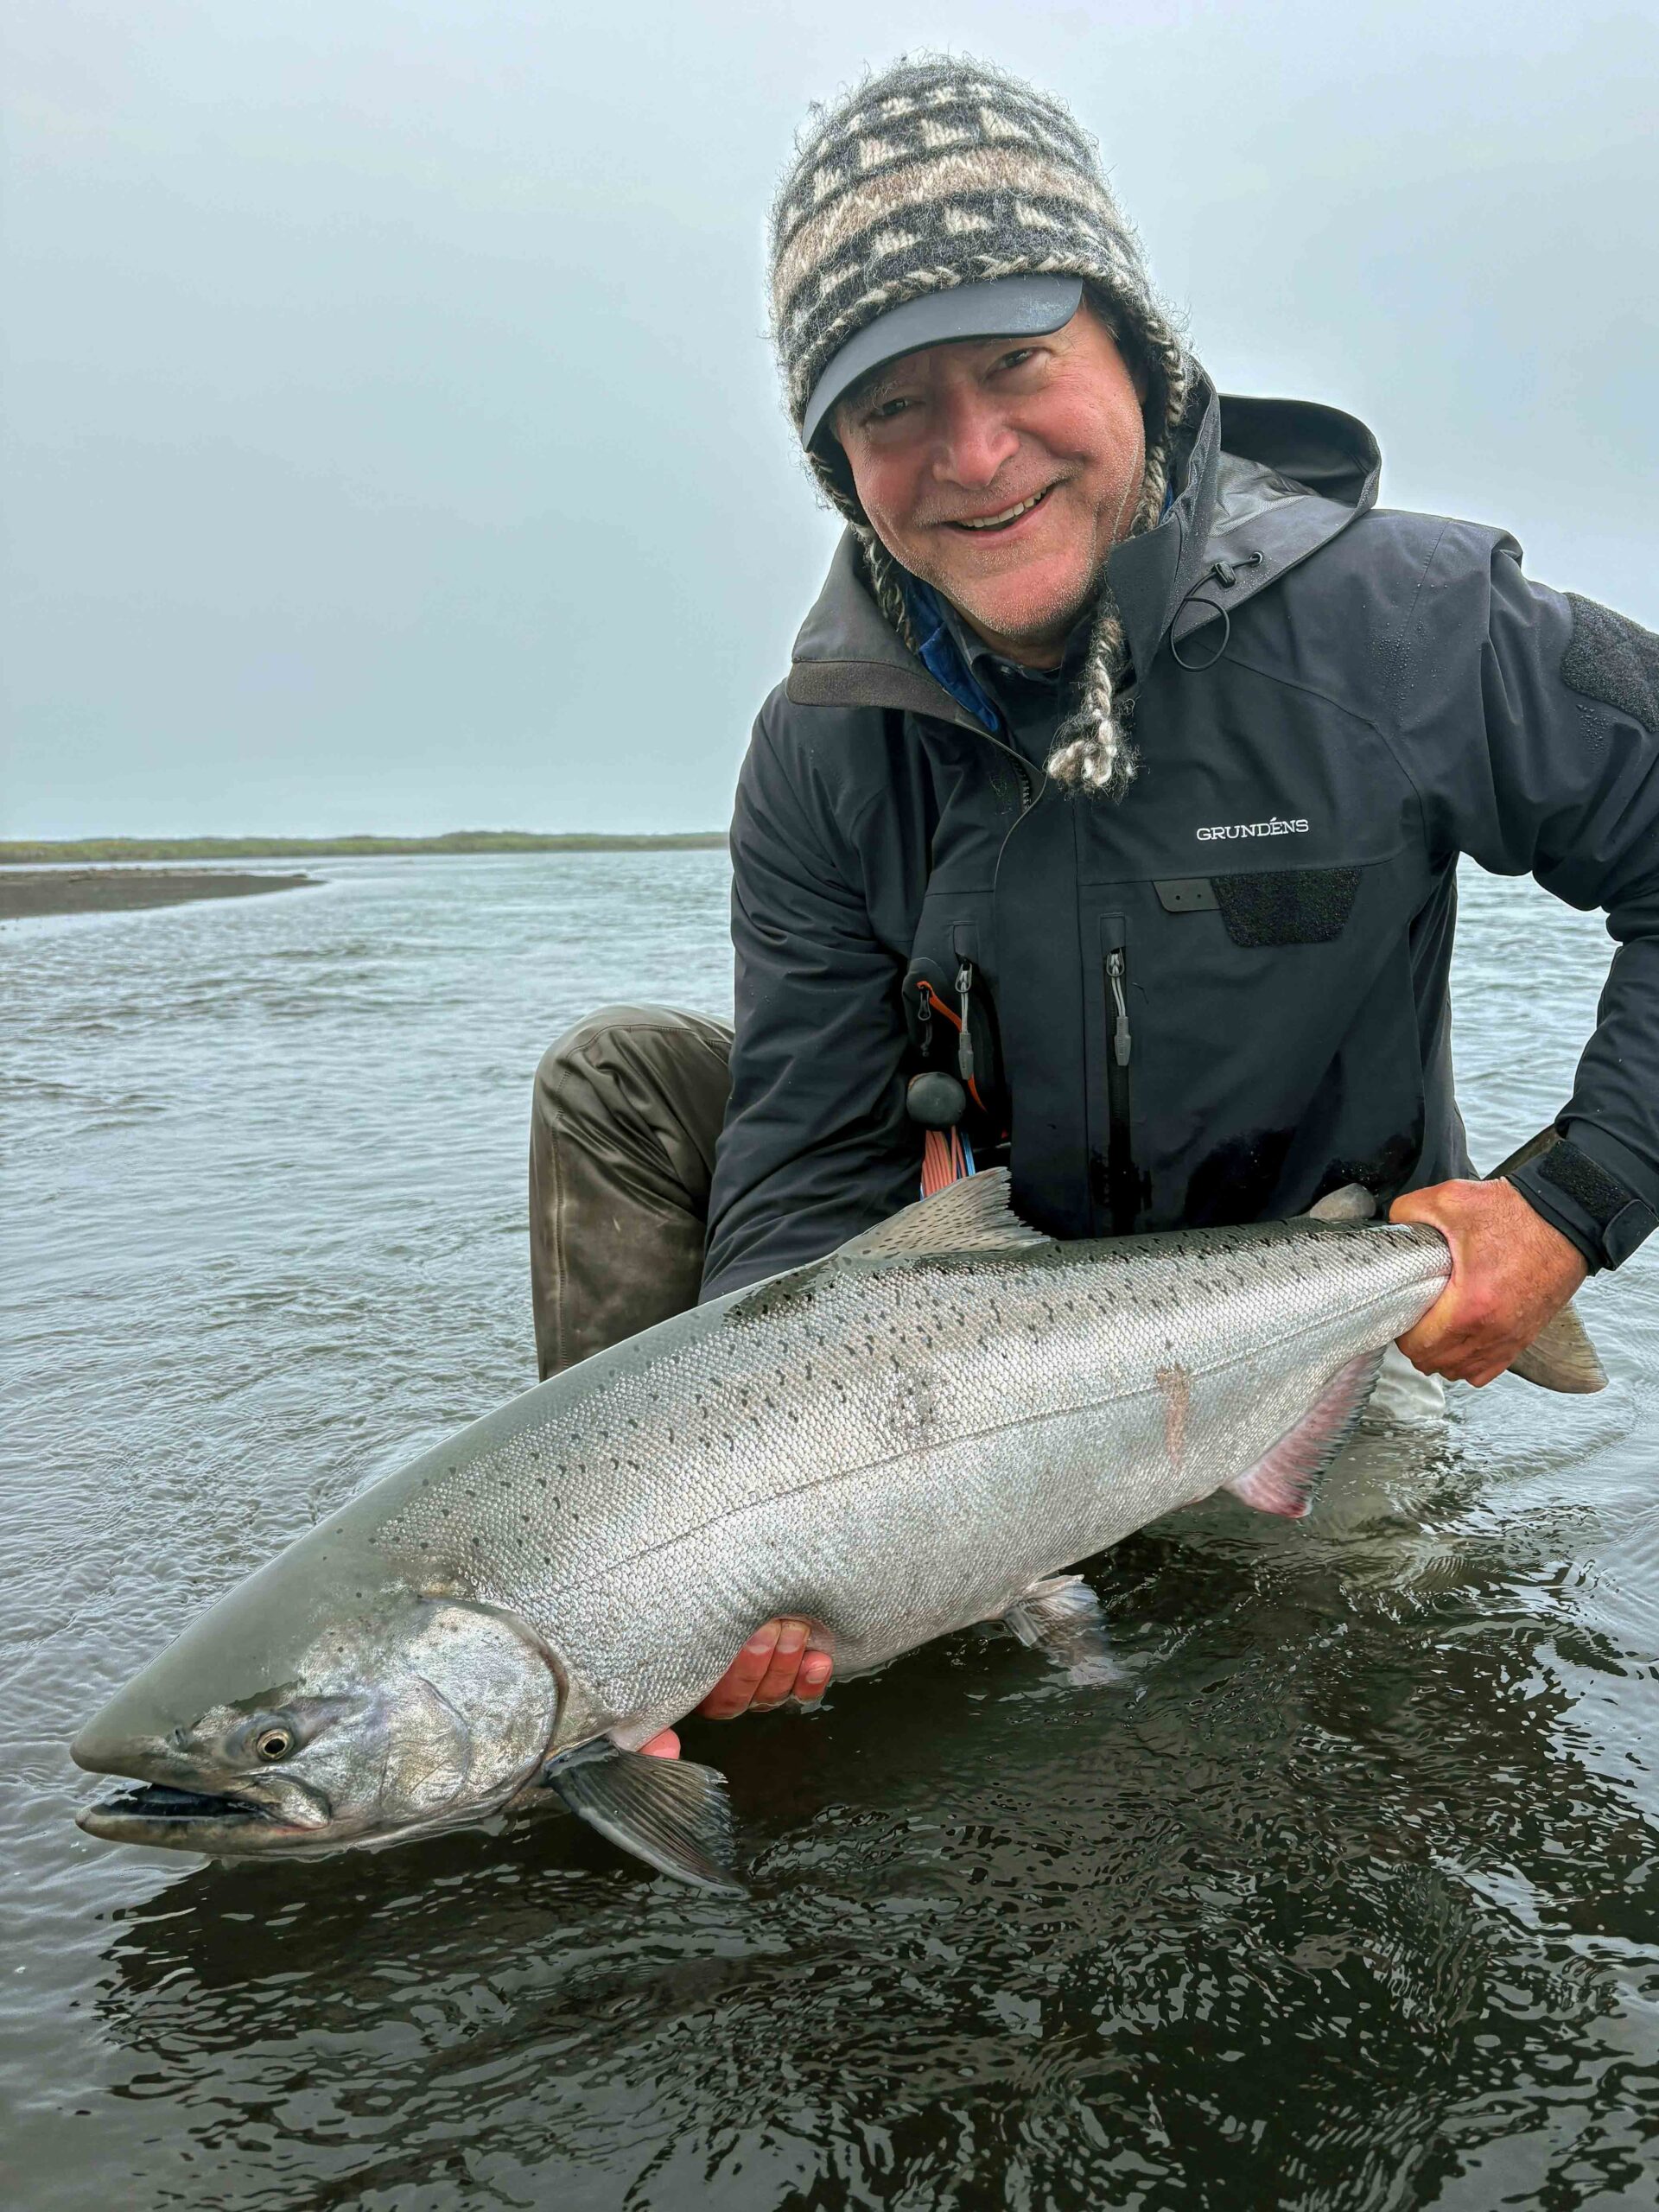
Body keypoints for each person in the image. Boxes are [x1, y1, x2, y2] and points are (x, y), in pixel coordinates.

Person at [529, 56, 1659, 1748]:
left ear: (1130, 347)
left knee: (1368, 1719)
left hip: (1301, 1310)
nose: (975, 455)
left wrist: (1573, 1198)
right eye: (894, 405)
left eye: (1016, 363)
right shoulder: (826, 750)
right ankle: (607, 1619)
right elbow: (810, 1165)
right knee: (617, 1081)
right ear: (839, 458)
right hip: (969, 1329)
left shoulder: (1405, 628)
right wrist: (730, 1533)